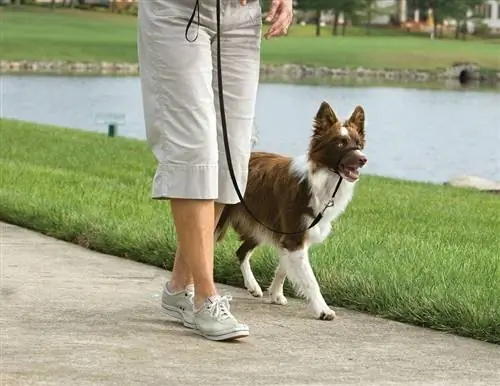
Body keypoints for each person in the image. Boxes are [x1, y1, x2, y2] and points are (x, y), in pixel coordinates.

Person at [137, 0, 293, 341]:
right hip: (178, 12)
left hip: (241, 17)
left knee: (231, 150)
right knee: (192, 146)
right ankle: (207, 299)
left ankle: (181, 288)